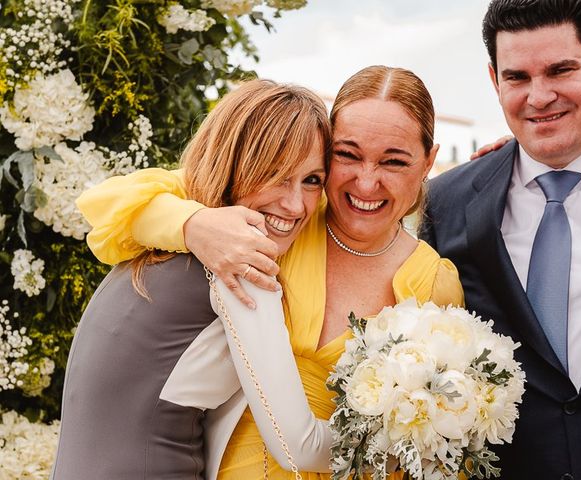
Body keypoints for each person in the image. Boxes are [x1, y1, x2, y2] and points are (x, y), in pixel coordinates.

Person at [73, 65, 465, 479]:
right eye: (348, 155)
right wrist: (194, 226)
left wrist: (424, 437)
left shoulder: (432, 281)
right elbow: (111, 203)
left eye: (394, 161)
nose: (366, 183)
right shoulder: (266, 226)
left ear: (428, 163)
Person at [52, 79, 336, 480]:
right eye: (275, 174)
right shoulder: (240, 258)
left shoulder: (160, 241)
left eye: (312, 180)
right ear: (235, 164)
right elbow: (298, 447)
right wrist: (392, 438)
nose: (294, 204)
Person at [421, 1, 581, 479]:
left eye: (560, 70)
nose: (539, 97)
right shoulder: (446, 203)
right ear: (495, 81)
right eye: (517, 77)